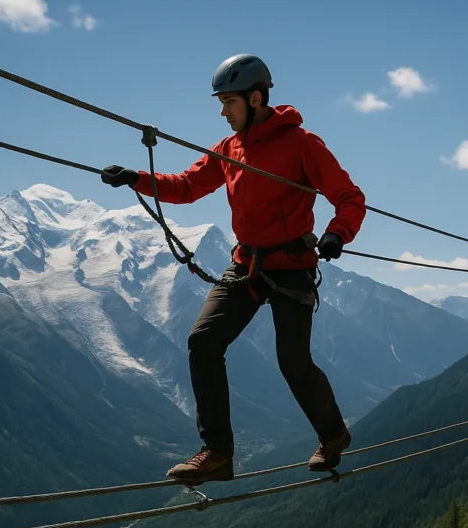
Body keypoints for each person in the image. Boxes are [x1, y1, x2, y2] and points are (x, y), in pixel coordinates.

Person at [100, 54, 366, 483]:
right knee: (203, 341)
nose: (222, 112)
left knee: (292, 364)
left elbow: (349, 197)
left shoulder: (302, 144)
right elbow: (187, 186)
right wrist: (137, 178)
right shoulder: (229, 149)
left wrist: (337, 233)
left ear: (256, 98)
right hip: (247, 264)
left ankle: (333, 435)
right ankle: (218, 451)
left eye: (228, 102)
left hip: (291, 266)